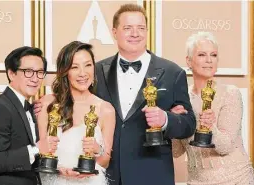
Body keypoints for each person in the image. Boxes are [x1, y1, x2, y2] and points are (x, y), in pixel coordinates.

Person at [95, 4, 196, 185]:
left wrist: (166, 119)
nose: (135, 34)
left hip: (152, 175)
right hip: (106, 175)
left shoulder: (172, 72)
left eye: (141, 28)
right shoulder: (96, 71)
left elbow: (189, 124)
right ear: (114, 32)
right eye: (128, 28)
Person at [172, 31, 254, 185]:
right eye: (202, 55)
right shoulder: (181, 99)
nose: (209, 60)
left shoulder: (230, 93)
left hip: (236, 179)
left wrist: (210, 127)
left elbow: (225, 146)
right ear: (189, 61)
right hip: (196, 181)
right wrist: (174, 123)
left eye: (214, 55)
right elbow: (177, 151)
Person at [38, 41, 116, 185]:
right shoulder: (47, 104)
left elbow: (105, 162)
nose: (82, 73)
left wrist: (97, 149)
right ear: (65, 71)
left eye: (88, 65)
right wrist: (60, 170)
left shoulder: (106, 109)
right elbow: (42, 152)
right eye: (74, 67)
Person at [0, 46, 59, 185]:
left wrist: (61, 170)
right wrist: (37, 149)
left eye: (39, 72)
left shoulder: (30, 108)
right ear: (11, 74)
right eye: (28, 72)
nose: (35, 78)